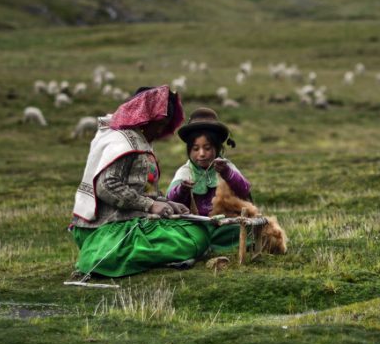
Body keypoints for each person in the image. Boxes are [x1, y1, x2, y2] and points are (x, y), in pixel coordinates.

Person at [69, 85, 210, 278]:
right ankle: (102, 255)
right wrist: (150, 205)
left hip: (131, 220)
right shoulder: (122, 143)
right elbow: (106, 186)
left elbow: (143, 187)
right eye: (159, 123)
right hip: (108, 226)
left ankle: (146, 256)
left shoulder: (139, 141)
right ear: (145, 117)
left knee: (197, 232)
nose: (161, 129)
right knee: (190, 238)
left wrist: (166, 203)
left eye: (165, 124)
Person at [166, 107, 251, 252]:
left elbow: (244, 191)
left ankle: (204, 247)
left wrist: (227, 173)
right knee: (181, 232)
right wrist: (183, 190)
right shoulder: (184, 172)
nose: (202, 154)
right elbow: (170, 201)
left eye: (207, 148)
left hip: (224, 226)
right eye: (195, 149)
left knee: (243, 230)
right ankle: (209, 246)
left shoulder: (226, 167)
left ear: (216, 148)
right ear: (189, 150)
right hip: (195, 227)